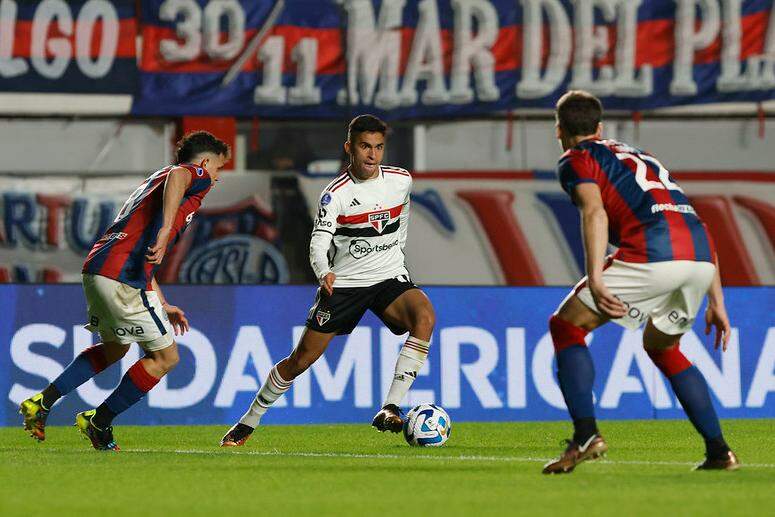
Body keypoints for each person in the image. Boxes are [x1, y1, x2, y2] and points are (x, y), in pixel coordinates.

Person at [542, 90, 738, 474]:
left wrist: (596, 277)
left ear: (559, 130)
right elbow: (693, 220)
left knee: (566, 326)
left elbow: (594, 213)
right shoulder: (642, 157)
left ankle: (585, 435)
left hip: (654, 252)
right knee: (663, 347)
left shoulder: (576, 159)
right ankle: (719, 452)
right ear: (600, 127)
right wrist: (717, 300)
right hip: (699, 258)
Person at [220, 114, 435, 446]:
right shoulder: (335, 195)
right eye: (365, 146)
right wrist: (324, 272)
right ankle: (248, 422)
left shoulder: (401, 180)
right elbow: (318, 242)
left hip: (388, 276)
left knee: (425, 317)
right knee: (300, 360)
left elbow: (402, 216)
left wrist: (396, 256)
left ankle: (390, 406)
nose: (372, 155)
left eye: (379, 147)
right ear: (350, 147)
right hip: (345, 283)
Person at [19, 131, 230, 451]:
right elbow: (179, 174)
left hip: (101, 270)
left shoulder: (155, 183)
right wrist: (164, 229)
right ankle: (98, 422)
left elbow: (143, 255)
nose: (217, 178)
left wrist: (163, 303)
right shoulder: (188, 175)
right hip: (119, 276)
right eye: (218, 169)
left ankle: (41, 403)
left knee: (115, 347)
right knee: (166, 357)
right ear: (204, 162)